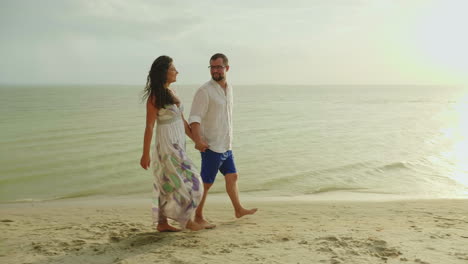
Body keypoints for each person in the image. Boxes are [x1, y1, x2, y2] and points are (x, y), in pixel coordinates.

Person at [189, 53, 257, 228]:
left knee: (232, 176)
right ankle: (197, 216)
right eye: (212, 67)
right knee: (207, 182)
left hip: (226, 144)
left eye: (219, 67)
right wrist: (198, 141)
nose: (215, 70)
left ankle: (238, 210)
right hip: (211, 145)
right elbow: (194, 119)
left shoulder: (229, 89)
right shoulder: (204, 91)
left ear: (227, 68)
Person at [140, 55, 204, 231]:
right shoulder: (154, 97)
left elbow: (182, 122)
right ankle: (185, 221)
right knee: (189, 180)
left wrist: (197, 141)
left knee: (171, 181)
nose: (177, 71)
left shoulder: (173, 93)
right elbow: (149, 126)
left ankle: (164, 223)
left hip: (178, 144)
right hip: (166, 146)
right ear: (164, 72)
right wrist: (145, 153)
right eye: (173, 68)